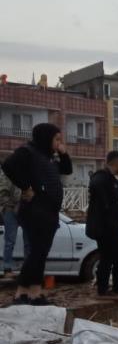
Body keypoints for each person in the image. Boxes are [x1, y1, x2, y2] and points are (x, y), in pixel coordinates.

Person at [1, 123, 72, 305]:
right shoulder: (29, 151)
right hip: (35, 210)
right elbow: (8, 165)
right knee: (37, 253)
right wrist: (25, 187)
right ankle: (22, 293)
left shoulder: (47, 157)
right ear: (45, 138)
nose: (58, 143)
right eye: (56, 139)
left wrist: (63, 153)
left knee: (40, 253)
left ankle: (33, 292)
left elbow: (67, 169)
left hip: (48, 210)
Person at [86, 151, 118, 297]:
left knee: (117, 257)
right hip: (105, 227)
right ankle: (104, 289)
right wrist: (109, 215)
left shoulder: (109, 179)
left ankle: (115, 288)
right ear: (116, 163)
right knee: (109, 258)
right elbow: (102, 200)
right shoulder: (101, 178)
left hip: (110, 226)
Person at [0, 171, 23, 277]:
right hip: (10, 210)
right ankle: (7, 268)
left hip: (24, 209)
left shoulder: (28, 171)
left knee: (28, 240)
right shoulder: (9, 173)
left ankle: (28, 268)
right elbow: (3, 192)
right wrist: (9, 206)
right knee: (10, 240)